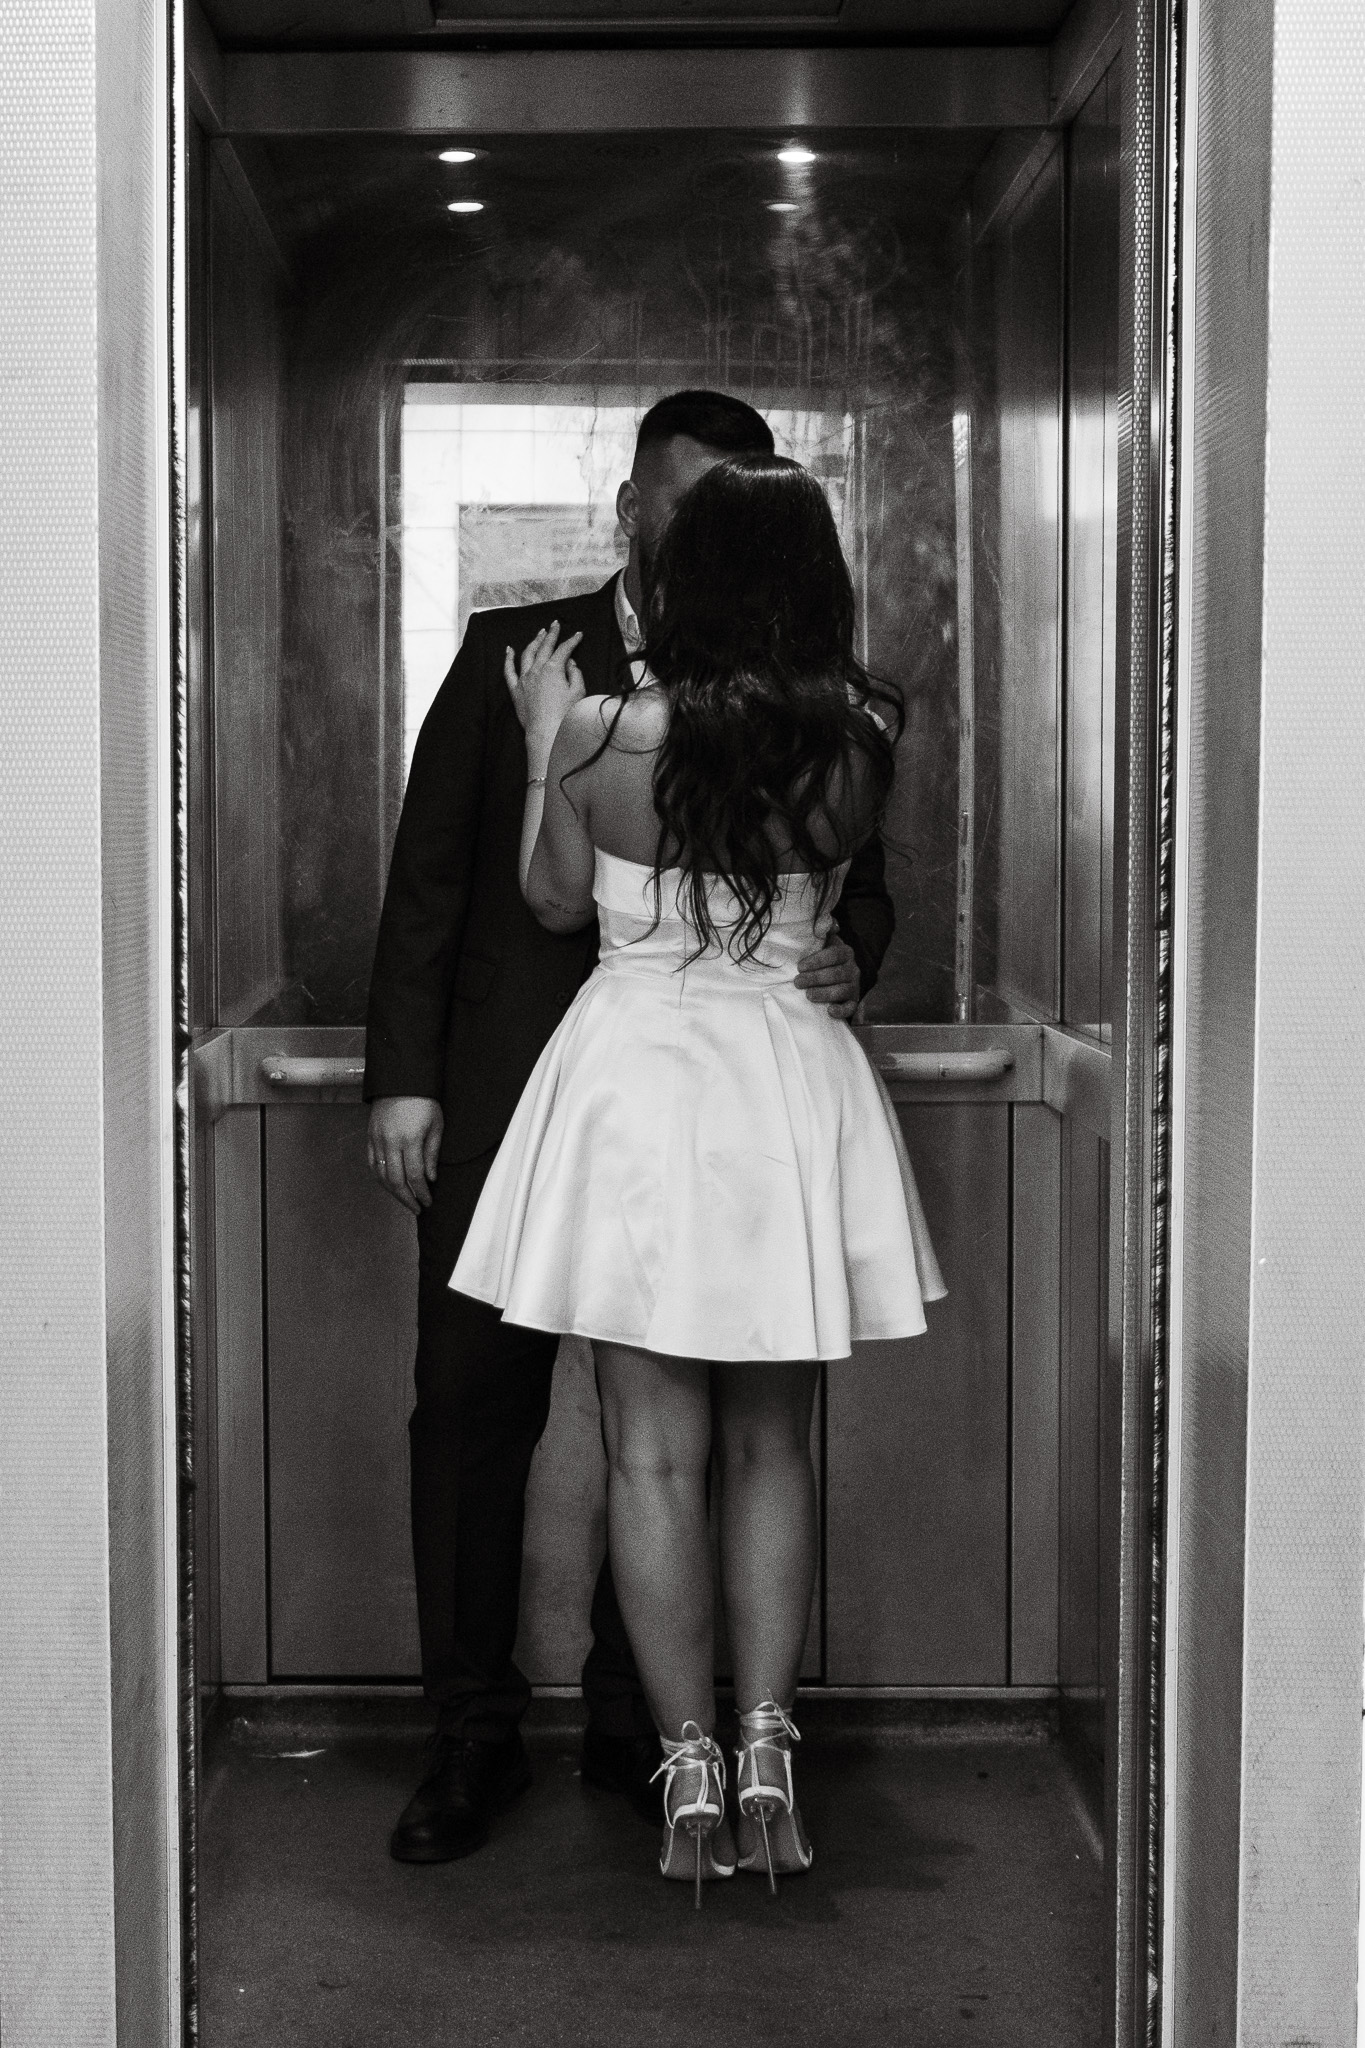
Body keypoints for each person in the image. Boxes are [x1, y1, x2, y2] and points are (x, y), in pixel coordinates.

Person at [364, 391, 899, 1864]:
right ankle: (544, 1738)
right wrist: (405, 1075)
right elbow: (426, 876)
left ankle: (654, 1742)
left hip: (628, 1093)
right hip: (626, 1100)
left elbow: (559, 894)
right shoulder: (846, 732)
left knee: (651, 1449)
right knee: (511, 1416)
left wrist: (856, 952)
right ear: (631, 506)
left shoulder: (597, 723)